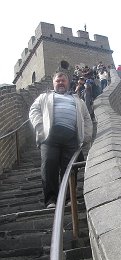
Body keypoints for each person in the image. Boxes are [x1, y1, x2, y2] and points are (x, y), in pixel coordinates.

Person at [29, 72, 93, 208]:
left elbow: (87, 118)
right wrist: (40, 127)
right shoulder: (44, 97)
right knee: (49, 165)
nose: (60, 83)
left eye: (63, 80)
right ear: (53, 83)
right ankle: (51, 200)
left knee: (70, 169)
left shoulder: (77, 99)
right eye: (58, 81)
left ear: (68, 82)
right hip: (49, 136)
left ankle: (69, 199)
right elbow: (34, 110)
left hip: (71, 138)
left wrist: (86, 136)